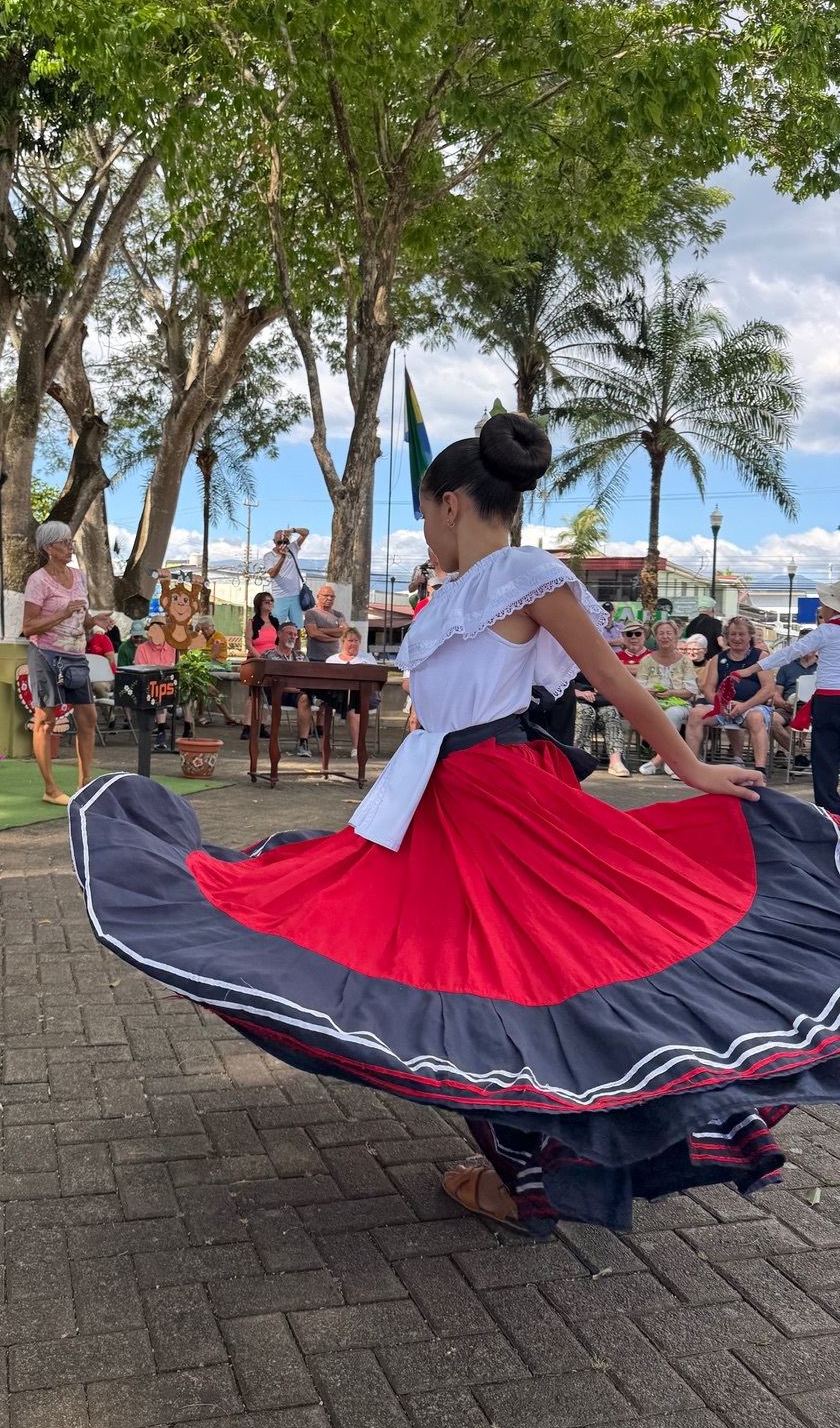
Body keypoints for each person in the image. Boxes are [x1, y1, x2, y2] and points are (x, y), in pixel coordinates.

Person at [68, 411, 840, 1239]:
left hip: (497, 796)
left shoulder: (527, 575)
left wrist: (692, 769)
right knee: (455, 963)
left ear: (449, 504)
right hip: (442, 795)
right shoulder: (460, 592)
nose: (426, 536)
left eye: (426, 517)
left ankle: (532, 1180)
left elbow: (615, 681)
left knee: (513, 971)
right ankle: (528, 1176)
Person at [23, 520, 114, 805]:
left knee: (88, 718)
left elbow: (81, 618)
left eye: (70, 541)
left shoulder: (79, 576)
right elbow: (28, 627)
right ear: (48, 548)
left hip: (76, 655)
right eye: (63, 543)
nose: (70, 546)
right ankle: (50, 788)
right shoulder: (38, 580)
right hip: (46, 654)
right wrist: (62, 613)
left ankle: (85, 783)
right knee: (46, 720)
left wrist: (94, 621)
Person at [735, 581, 840, 813]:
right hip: (829, 699)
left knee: (825, 757)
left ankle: (830, 810)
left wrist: (750, 670)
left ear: (830, 608)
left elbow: (789, 653)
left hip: (828, 701)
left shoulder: (825, 631)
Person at [685, 615, 774, 780]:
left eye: (741, 634)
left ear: (750, 636)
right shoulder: (718, 658)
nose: (737, 638)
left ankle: (759, 769)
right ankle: (692, 764)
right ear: (726, 636)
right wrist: (720, 704)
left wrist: (744, 706)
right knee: (695, 713)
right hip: (723, 706)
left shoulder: (761, 657)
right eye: (733, 634)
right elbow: (708, 688)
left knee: (756, 718)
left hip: (752, 706)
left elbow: (768, 689)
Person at [636, 620, 699, 778]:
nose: (665, 637)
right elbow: (638, 688)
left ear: (676, 636)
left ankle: (658, 760)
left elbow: (690, 691)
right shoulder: (646, 661)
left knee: (672, 713)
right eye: (661, 634)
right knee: (655, 712)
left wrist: (671, 693)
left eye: (669, 633)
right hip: (652, 703)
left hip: (679, 704)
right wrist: (650, 691)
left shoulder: (685, 661)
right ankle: (672, 761)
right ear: (656, 638)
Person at [325, 626, 380, 759]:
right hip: (340, 699)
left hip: (366, 697)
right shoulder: (332, 660)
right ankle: (356, 747)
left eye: (356, 641)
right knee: (350, 706)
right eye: (350, 640)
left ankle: (357, 747)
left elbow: (377, 680)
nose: (353, 644)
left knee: (354, 705)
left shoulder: (368, 658)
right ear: (342, 642)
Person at [264, 619, 315, 758]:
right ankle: (274, 741)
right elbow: (265, 680)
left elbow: (309, 677)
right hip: (276, 694)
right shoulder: (268, 655)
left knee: (305, 698)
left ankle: (303, 743)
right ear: (279, 634)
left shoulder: (300, 656)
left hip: (297, 694)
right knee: (301, 694)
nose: (293, 637)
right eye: (289, 634)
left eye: (295, 634)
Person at [769, 632, 818, 766]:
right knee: (770, 719)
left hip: (814, 710)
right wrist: (783, 704)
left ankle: (787, 753)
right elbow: (776, 693)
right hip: (788, 708)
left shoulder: (824, 666)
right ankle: (797, 754)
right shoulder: (787, 667)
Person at [572, 674, 629, 777]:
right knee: (586, 712)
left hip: (598, 698)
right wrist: (577, 692)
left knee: (611, 712)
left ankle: (615, 760)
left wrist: (605, 687)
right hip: (574, 698)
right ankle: (580, 758)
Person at [133, 616, 176, 751]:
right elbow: (141, 671)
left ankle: (186, 730)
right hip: (149, 685)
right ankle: (160, 732)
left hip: (169, 684)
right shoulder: (142, 648)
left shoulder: (173, 649)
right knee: (158, 692)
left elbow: (177, 669)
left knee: (164, 691)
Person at [241, 592, 279, 742]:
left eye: (271, 601)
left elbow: (277, 643)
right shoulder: (252, 622)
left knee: (268, 695)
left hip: (272, 661)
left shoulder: (275, 622)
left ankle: (262, 725)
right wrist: (261, 658)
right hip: (256, 661)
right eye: (266, 601)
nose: (270, 604)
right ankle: (247, 726)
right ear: (259, 604)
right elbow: (248, 643)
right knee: (253, 694)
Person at [262, 528, 311, 625]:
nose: (282, 545)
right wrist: (283, 557)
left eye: (285, 541)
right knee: (277, 626)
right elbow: (273, 574)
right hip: (279, 596)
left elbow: (306, 533)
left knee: (297, 627)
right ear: (274, 541)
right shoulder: (269, 556)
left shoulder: (292, 548)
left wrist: (292, 530)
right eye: (279, 542)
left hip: (295, 595)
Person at [304, 584, 347, 662]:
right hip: (315, 659)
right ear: (318, 597)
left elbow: (345, 631)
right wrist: (334, 639)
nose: (329, 598)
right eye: (326, 596)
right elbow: (313, 633)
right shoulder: (311, 613)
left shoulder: (338, 615)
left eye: (332, 596)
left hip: (335, 659)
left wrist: (320, 630)